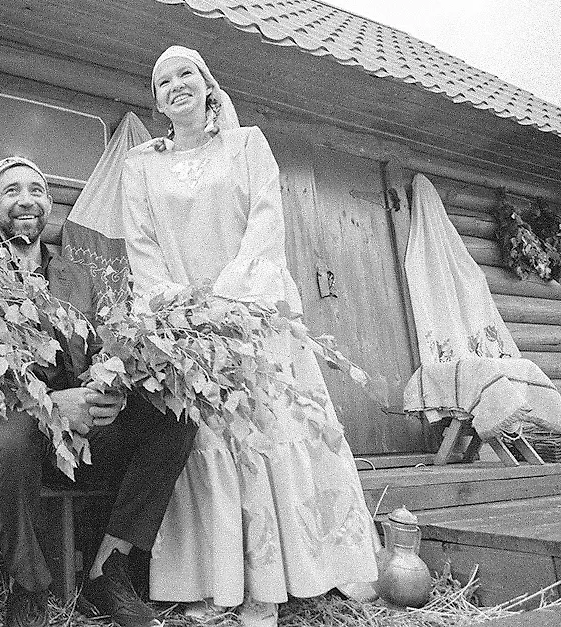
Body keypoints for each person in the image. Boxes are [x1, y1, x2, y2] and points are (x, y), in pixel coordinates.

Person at [120, 46, 380, 627]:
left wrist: (229, 300)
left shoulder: (247, 145)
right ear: (157, 101)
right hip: (185, 329)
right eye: (162, 81)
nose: (174, 85)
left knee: (264, 436)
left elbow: (266, 225)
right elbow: (142, 246)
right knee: (207, 448)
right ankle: (218, 583)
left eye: (186, 73)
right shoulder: (141, 164)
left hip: (251, 319)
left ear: (209, 85)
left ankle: (272, 583)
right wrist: (178, 310)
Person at [0, 156, 199, 627]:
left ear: (48, 205)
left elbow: (102, 348)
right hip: (20, 421)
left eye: (36, 190)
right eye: (11, 191)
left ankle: (108, 570)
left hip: (84, 428)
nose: (26, 200)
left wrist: (110, 387)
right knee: (3, 442)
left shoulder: (77, 277)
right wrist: (50, 405)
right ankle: (31, 587)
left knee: (174, 419)